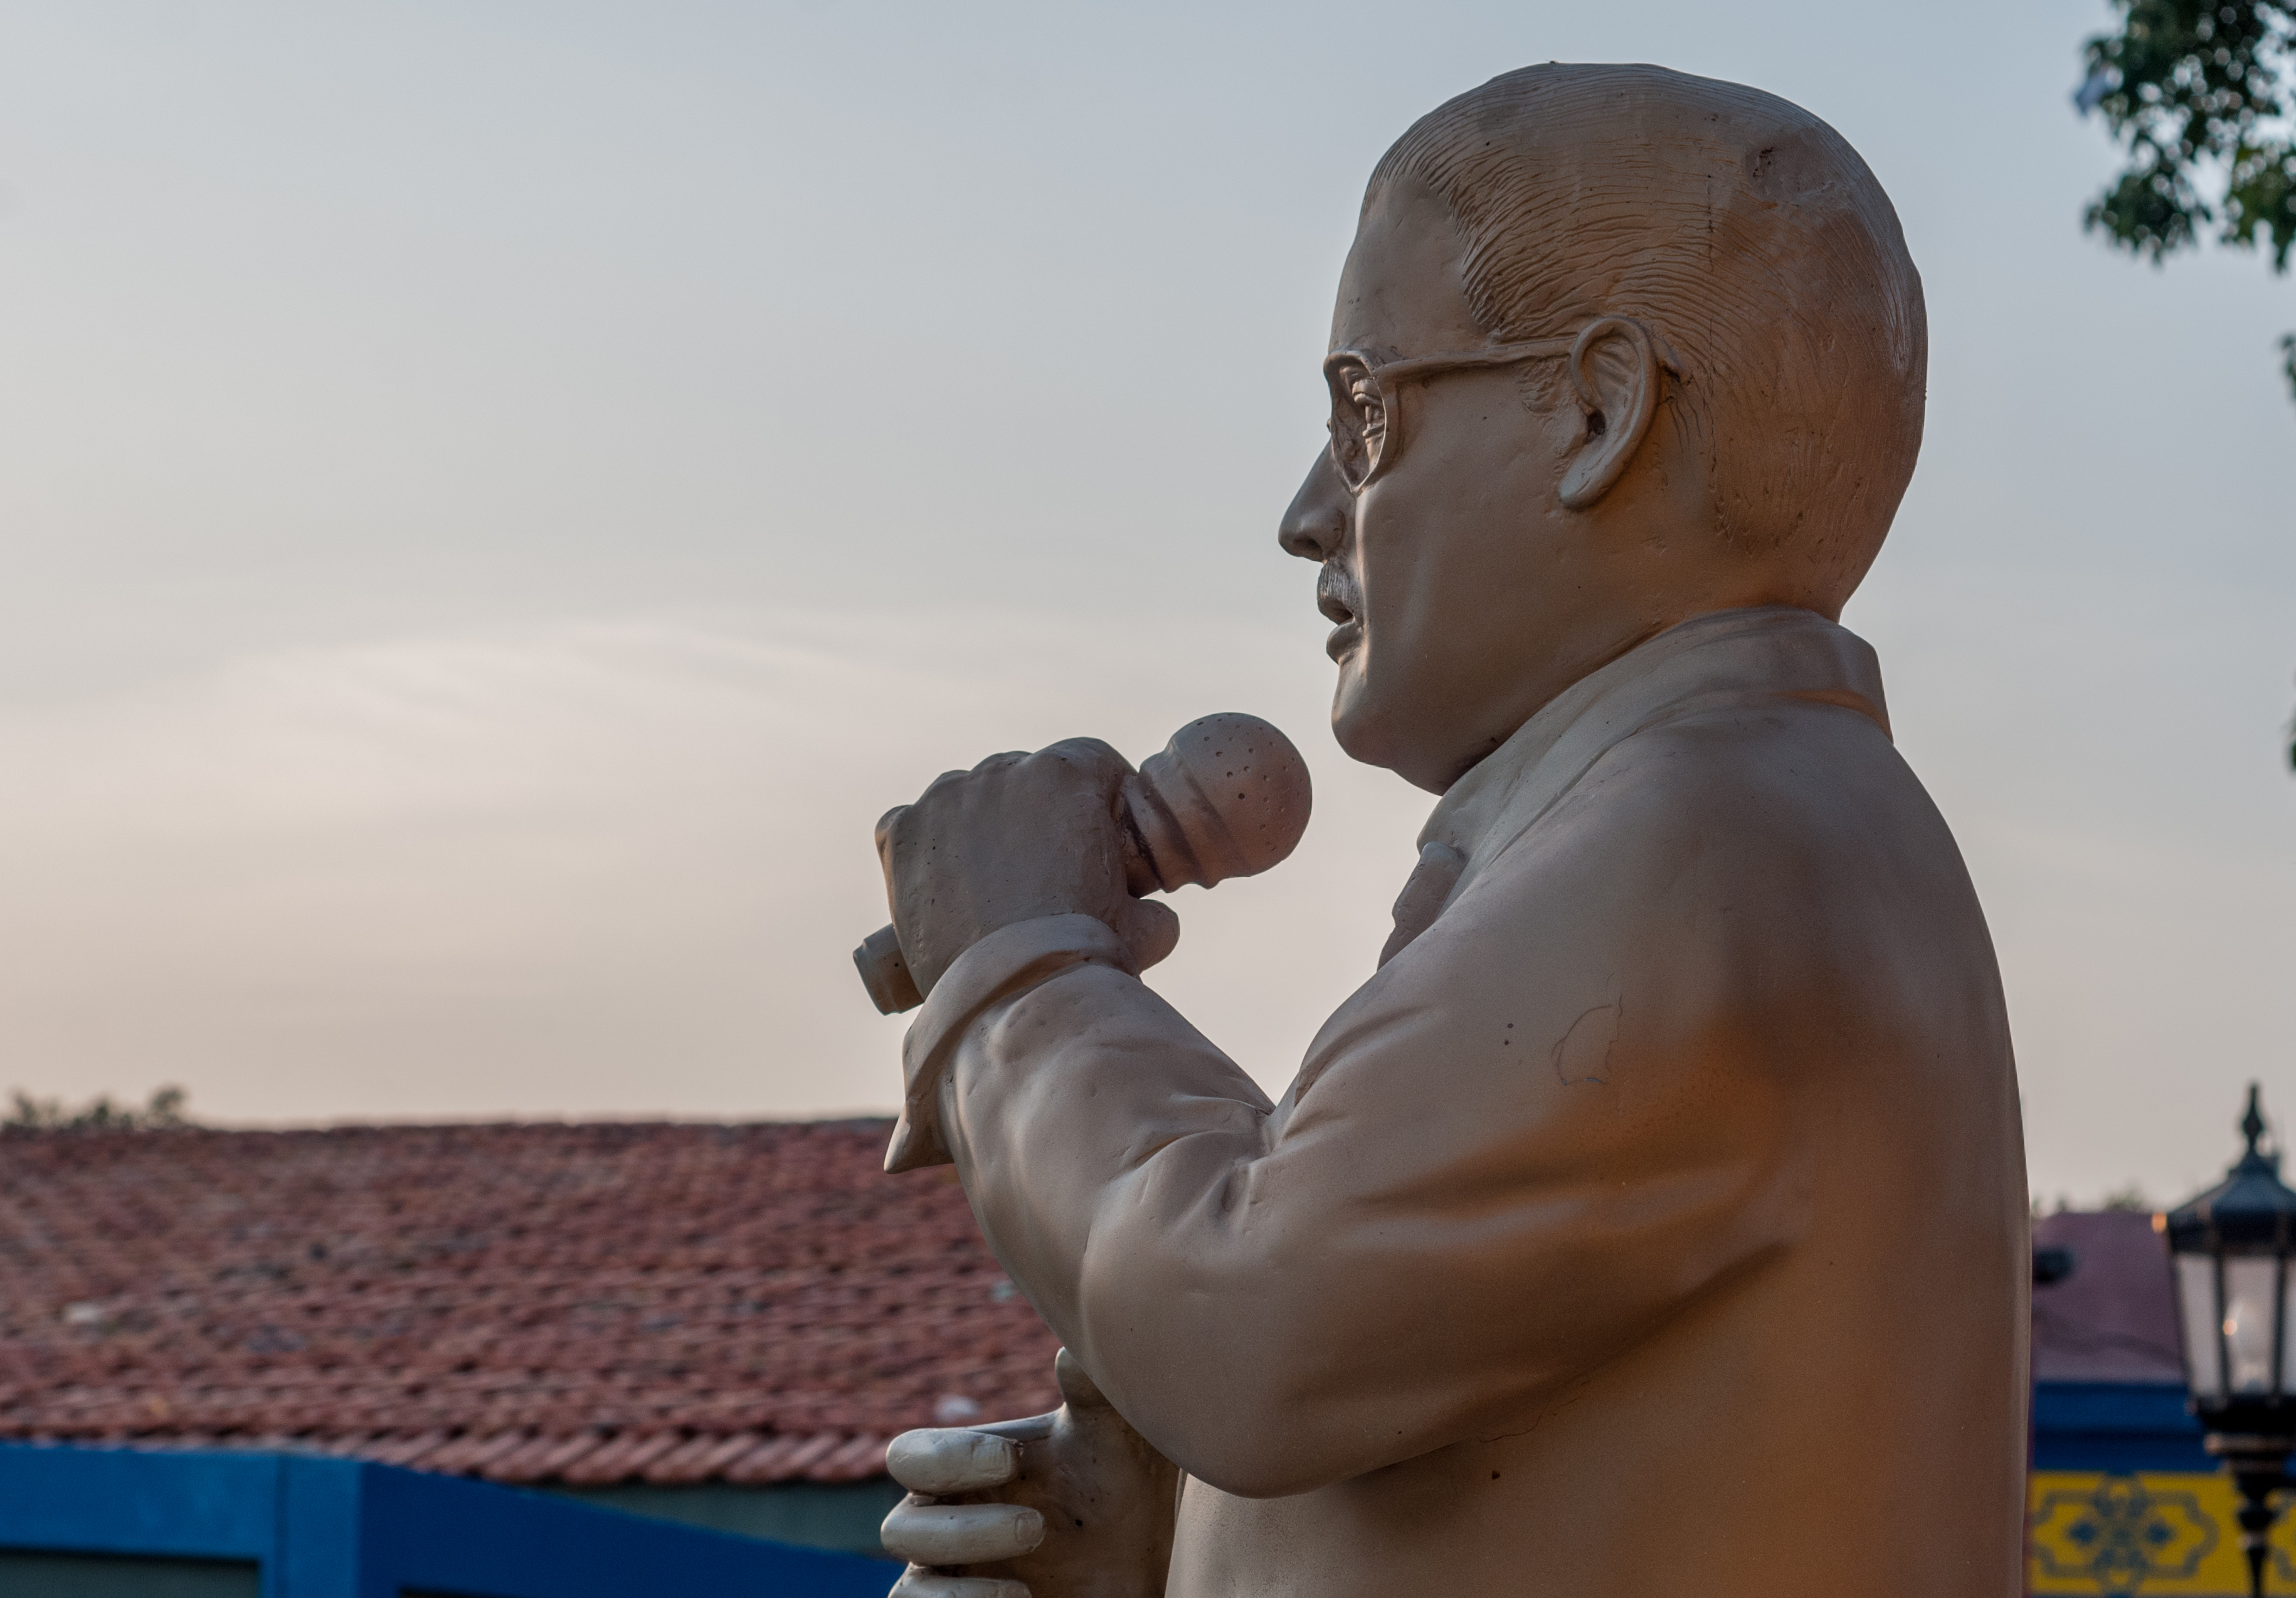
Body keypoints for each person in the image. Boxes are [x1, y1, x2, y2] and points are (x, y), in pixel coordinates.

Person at [871, 62, 2028, 1598]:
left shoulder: (1711, 844)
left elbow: (1250, 1319)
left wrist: (1018, 980)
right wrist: (1190, 1540)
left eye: (1360, 413)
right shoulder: (1757, 821)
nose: (1306, 511)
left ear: (1600, 413)